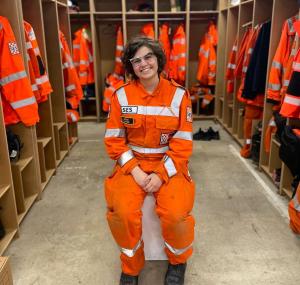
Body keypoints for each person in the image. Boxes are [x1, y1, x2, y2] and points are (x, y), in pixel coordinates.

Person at [104, 36, 195, 285]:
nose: (143, 64)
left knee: (176, 215)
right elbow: (114, 141)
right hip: (132, 165)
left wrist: (161, 175)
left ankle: (178, 263)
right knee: (121, 213)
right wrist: (136, 172)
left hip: (169, 163)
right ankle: (131, 266)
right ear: (130, 67)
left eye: (148, 57)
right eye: (136, 61)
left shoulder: (178, 96)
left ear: (159, 59)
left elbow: (183, 144)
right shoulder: (120, 96)